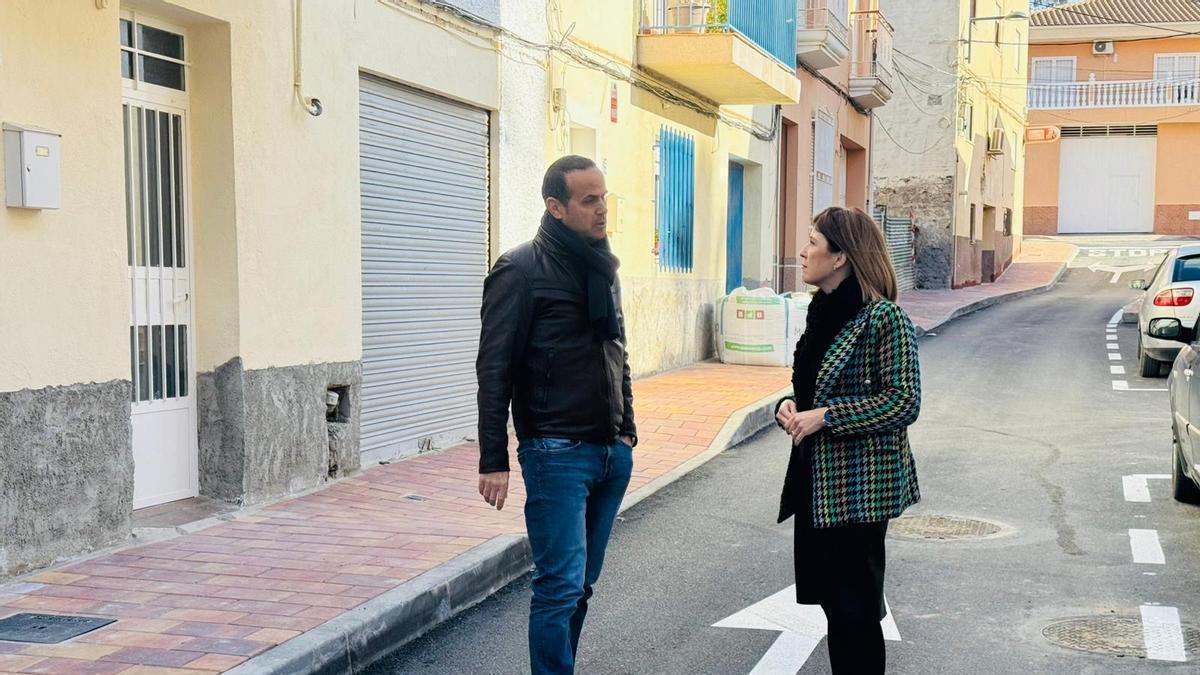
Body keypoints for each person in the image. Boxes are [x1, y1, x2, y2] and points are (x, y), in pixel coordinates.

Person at [476, 155, 637, 674]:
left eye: (604, 198)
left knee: (581, 585)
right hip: (556, 452)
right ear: (556, 207)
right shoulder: (520, 270)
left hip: (610, 452)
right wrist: (493, 459)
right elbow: (494, 369)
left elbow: (617, 352)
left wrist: (627, 432)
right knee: (559, 585)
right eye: (589, 200)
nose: (602, 209)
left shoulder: (602, 269)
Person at [775, 207, 922, 675]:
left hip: (859, 490)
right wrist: (789, 406)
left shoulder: (884, 318)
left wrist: (827, 417)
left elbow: (903, 401)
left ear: (839, 257)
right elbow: (810, 390)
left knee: (855, 612)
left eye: (813, 242)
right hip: (817, 483)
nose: (803, 252)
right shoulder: (821, 313)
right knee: (835, 608)